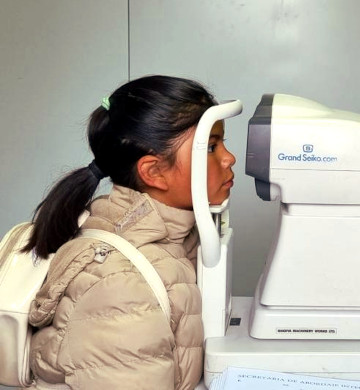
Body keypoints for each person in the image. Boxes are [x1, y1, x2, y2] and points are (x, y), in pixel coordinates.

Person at [22, 75, 236, 389]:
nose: (229, 158)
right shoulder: (122, 288)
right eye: (211, 147)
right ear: (154, 172)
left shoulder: (177, 237)